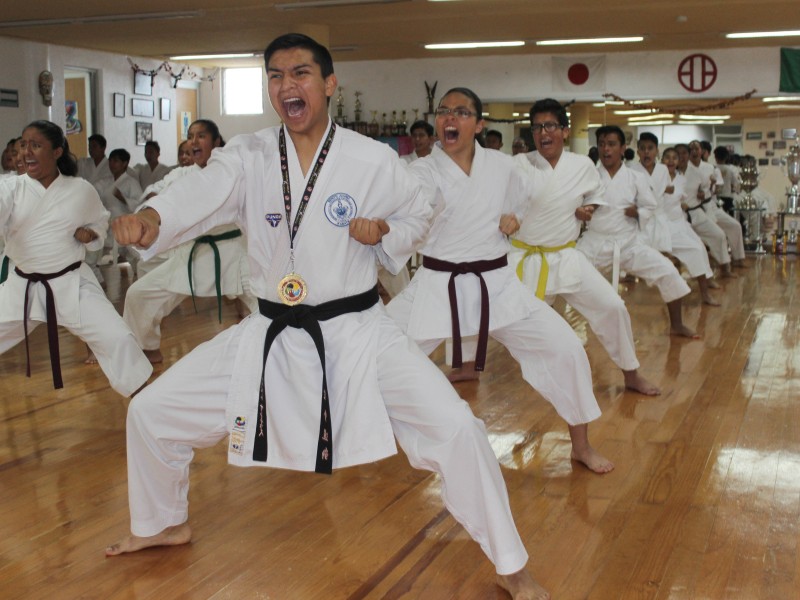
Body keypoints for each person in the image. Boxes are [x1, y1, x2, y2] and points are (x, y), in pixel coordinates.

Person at [105, 35, 546, 599]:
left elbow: (419, 207)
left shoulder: (371, 159)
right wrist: (151, 218)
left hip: (358, 332)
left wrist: (387, 232)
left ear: (329, 84)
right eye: (276, 76)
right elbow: (203, 190)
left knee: (459, 430)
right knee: (152, 412)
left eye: (301, 73)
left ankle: (513, 567)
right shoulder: (249, 154)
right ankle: (164, 522)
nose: (287, 85)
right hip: (270, 330)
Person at [387, 87, 614, 479]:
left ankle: (581, 445)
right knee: (374, 350)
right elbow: (416, 205)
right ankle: (346, 438)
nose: (449, 119)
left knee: (566, 350)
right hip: (439, 284)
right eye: (443, 112)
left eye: (460, 112)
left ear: (479, 124)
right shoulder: (422, 171)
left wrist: (515, 216)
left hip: (497, 284)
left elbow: (525, 197)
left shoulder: (503, 166)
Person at [510, 99, 660, 396]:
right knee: (494, 316)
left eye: (550, 125)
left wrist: (586, 207)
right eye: (537, 127)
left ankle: (631, 373)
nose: (544, 133)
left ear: (564, 131)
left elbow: (595, 193)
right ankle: (469, 369)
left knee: (613, 306)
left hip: (566, 255)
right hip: (526, 259)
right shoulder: (518, 165)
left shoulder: (581, 166)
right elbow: (501, 200)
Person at [0, 120, 151, 395]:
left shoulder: (80, 189)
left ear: (57, 151)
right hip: (21, 286)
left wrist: (90, 234)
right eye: (24, 145)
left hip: (71, 284)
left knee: (118, 338)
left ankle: (146, 403)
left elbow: (100, 222)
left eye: (36, 145)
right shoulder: (11, 188)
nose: (26, 152)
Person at [122, 119, 255, 362]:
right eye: (190, 136)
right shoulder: (181, 174)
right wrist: (152, 202)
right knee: (139, 294)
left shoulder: (236, 170)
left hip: (237, 252)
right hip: (193, 254)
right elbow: (158, 190)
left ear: (216, 141)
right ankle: (147, 347)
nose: (193, 141)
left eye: (201, 136)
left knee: (270, 302)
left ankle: (280, 351)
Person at [577, 126, 697, 338]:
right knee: (565, 275)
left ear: (623, 148)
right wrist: (582, 212)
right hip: (595, 242)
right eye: (602, 144)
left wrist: (637, 212)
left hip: (629, 243)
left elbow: (651, 206)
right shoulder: (590, 177)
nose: (606, 149)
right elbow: (574, 206)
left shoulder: (635, 178)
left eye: (612, 144)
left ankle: (676, 325)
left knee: (668, 271)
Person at [630, 134, 718, 305]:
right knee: (621, 254)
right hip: (640, 224)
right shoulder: (631, 170)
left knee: (695, 249)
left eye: (650, 148)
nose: (646, 152)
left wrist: (667, 190)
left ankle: (705, 294)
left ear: (656, 151)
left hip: (664, 223)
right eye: (642, 148)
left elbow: (667, 189)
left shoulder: (662, 170)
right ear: (637, 151)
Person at [687, 140, 746, 268]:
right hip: (694, 209)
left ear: (702, 151)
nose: (694, 151)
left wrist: (712, 185)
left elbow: (719, 189)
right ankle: (724, 265)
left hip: (710, 204)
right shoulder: (685, 168)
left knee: (735, 226)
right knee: (717, 234)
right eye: (691, 149)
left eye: (697, 149)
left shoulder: (710, 168)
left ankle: (738, 258)